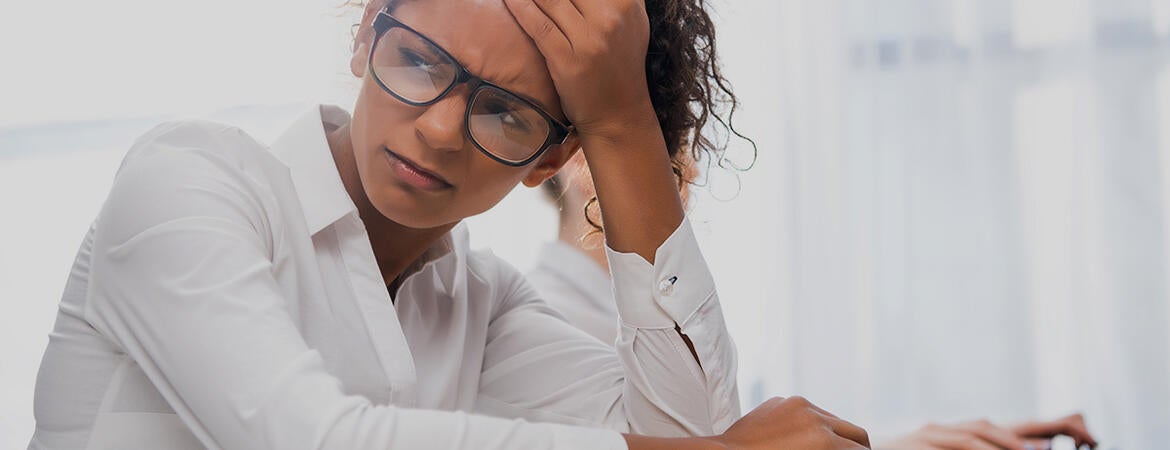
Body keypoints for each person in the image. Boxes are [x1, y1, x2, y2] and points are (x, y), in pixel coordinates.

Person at [28, 0, 874, 449]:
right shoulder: (189, 180)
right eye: (419, 61)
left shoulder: (483, 308)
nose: (437, 128)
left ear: (548, 160)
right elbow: (314, 441)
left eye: (507, 113)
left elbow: (688, 435)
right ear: (366, 34)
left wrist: (621, 126)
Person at [529, 159, 1100, 450]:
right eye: (676, 147)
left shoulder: (624, 313)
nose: (692, 172)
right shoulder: (550, 331)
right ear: (585, 163)